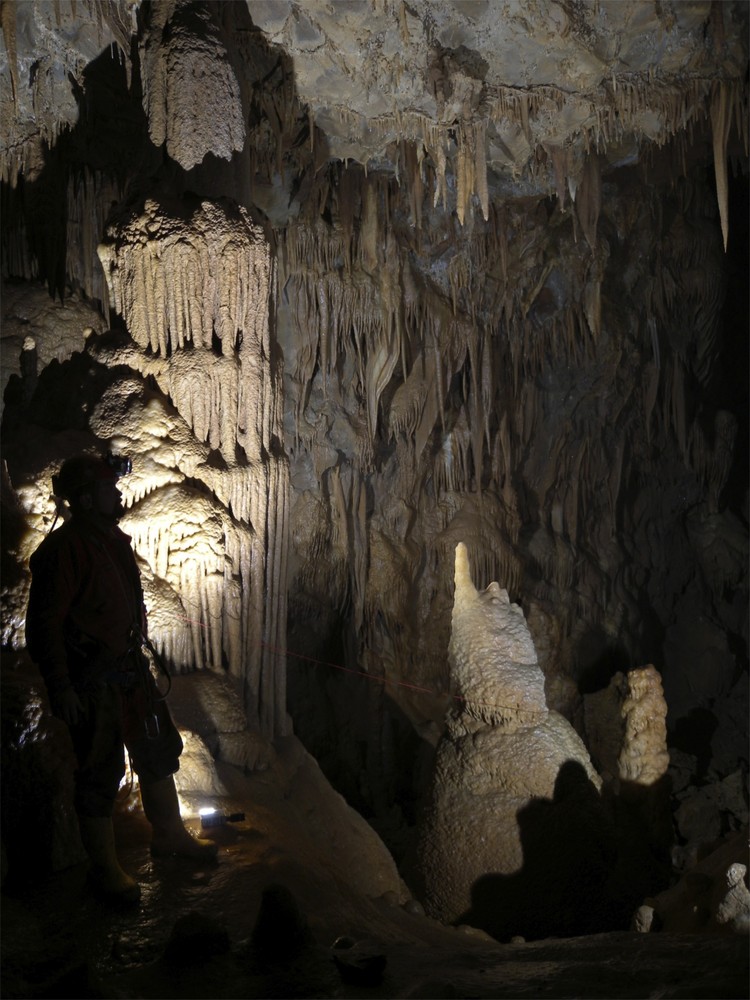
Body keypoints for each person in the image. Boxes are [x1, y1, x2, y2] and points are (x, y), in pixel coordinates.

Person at [25, 452, 217, 905]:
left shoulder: (110, 540)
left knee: (157, 750)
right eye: (110, 489)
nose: (118, 494)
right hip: (93, 681)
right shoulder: (63, 551)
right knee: (100, 769)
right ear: (88, 499)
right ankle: (105, 869)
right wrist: (62, 687)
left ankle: (168, 834)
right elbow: (45, 627)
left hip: (131, 673)